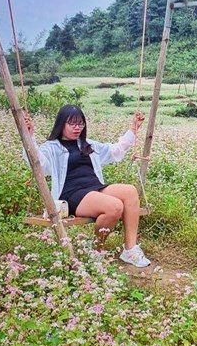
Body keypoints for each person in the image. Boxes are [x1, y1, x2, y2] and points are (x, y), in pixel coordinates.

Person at [25, 104, 151, 268]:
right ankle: (96, 251)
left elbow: (115, 151)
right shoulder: (51, 147)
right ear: (61, 124)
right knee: (114, 206)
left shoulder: (87, 144)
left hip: (94, 187)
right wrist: (29, 138)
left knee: (130, 191)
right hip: (70, 194)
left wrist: (133, 129)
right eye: (72, 123)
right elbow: (38, 165)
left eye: (80, 123)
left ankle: (130, 250)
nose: (77, 128)